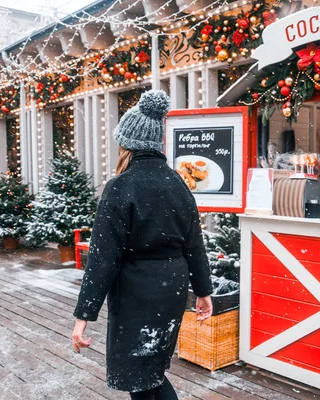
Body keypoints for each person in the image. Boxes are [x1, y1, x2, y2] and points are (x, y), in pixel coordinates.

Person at [71, 90, 213, 400]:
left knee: (141, 379)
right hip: (171, 289)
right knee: (152, 373)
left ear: (127, 144)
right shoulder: (178, 183)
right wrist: (203, 292)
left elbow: (102, 258)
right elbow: (194, 244)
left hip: (137, 293)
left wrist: (83, 316)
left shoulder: (121, 186)